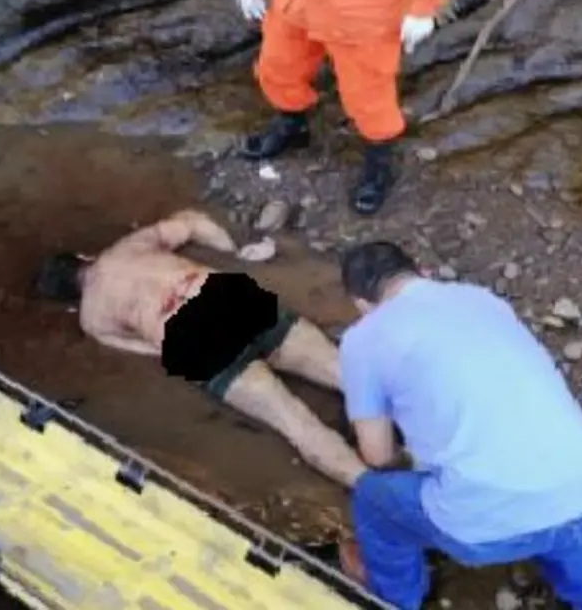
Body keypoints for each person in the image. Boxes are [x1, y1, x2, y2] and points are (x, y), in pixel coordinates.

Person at [332, 241, 582, 609]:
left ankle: (395, 598)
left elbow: (377, 456)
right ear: (421, 271)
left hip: (485, 528)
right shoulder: (482, 299)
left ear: (361, 304)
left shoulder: (363, 339)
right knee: (564, 516)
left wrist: (406, 457)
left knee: (373, 499)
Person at [32, 208, 367, 488]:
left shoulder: (91, 318)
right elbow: (192, 222)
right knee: (344, 371)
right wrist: (231, 250)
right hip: (221, 296)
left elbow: (148, 350)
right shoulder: (125, 249)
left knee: (295, 423)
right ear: (84, 257)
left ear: (70, 298)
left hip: (190, 338)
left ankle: (373, 488)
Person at [238, 0, 455, 216]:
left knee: (368, 95)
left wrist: (423, 7)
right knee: (278, 68)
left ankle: (379, 162)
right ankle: (291, 125)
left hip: (362, 12)